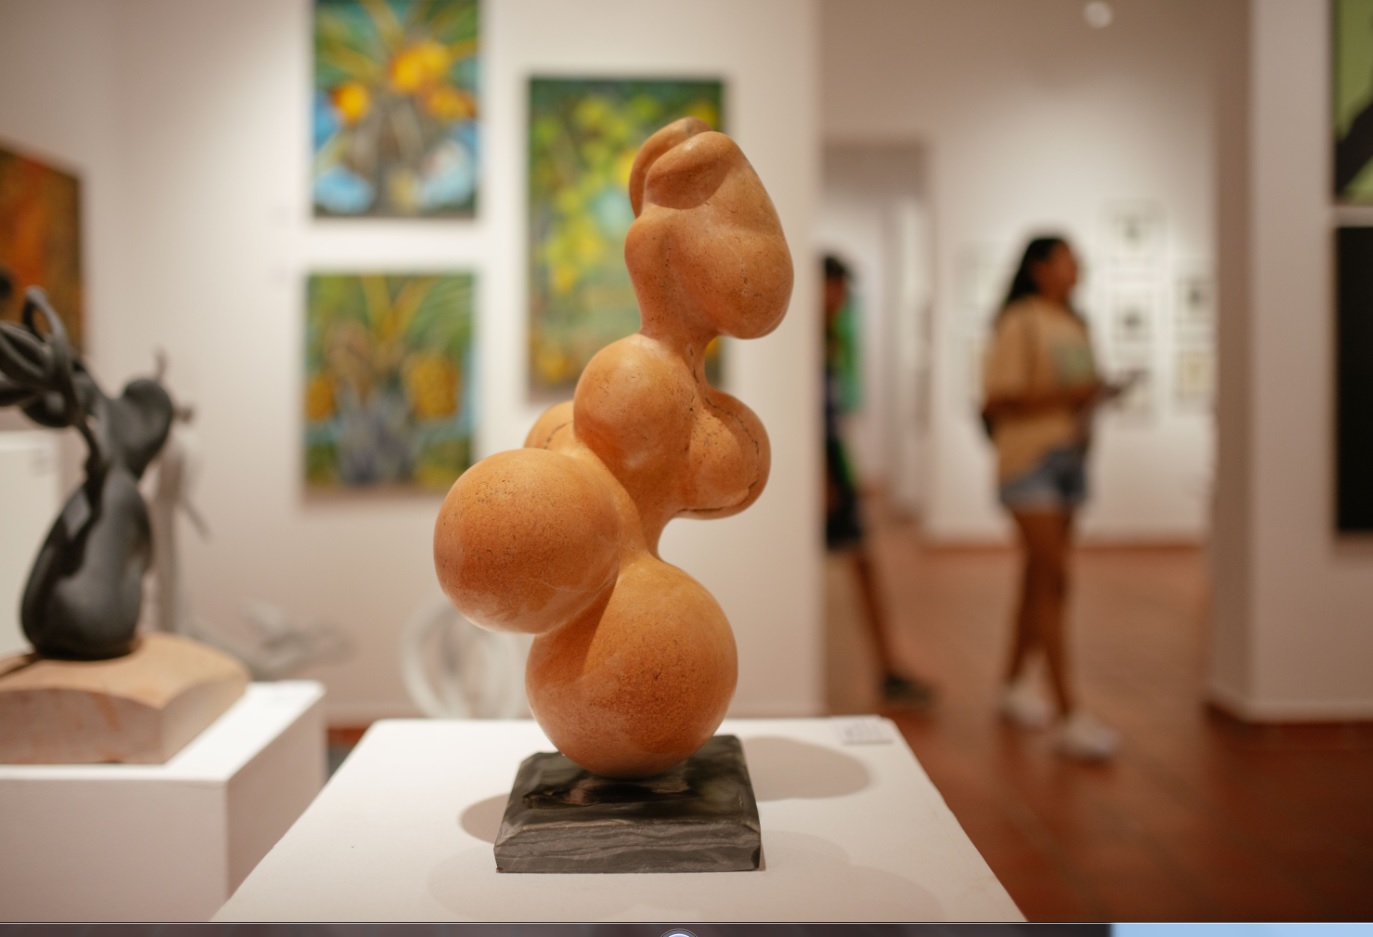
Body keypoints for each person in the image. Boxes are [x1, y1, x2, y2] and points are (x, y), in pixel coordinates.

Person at [981, 235, 1127, 759]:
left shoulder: (1075, 323)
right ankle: (1069, 712)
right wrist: (1072, 395)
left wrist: (1094, 396)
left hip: (1071, 461)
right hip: (1030, 462)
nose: (1077, 268)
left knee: (1039, 578)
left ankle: (1013, 685)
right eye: (1067, 260)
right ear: (1040, 268)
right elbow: (997, 399)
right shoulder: (1020, 321)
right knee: (1055, 579)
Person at [823, 254, 934, 709]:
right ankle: (887, 669)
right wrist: (824, 480)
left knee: (864, 567)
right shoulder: (811, 346)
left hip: (833, 470)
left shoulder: (828, 342)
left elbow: (830, 422)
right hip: (823, 474)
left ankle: (889, 669)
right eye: (837, 288)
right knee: (858, 568)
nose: (841, 299)